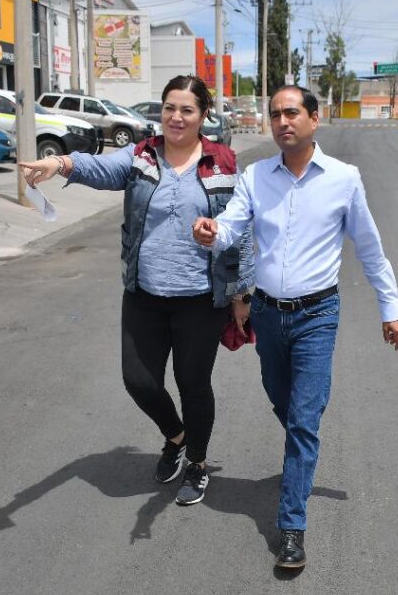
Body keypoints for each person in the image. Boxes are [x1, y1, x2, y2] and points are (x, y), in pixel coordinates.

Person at [192, 85, 398, 569]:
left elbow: (369, 249)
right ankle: (302, 451)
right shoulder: (255, 176)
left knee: (304, 421)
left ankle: (291, 526)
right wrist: (211, 232)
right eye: (275, 115)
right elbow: (230, 226)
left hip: (317, 315)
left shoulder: (344, 180)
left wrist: (389, 307)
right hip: (267, 313)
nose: (283, 121)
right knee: (284, 403)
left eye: (292, 113)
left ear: (314, 118)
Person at [19, 75, 254, 506]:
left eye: (186, 109)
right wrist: (60, 165)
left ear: (202, 116)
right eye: (169, 107)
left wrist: (241, 294)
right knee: (139, 380)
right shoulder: (141, 156)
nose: (176, 117)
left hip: (200, 299)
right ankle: (177, 436)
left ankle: (197, 463)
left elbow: (239, 230)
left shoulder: (222, 164)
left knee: (193, 383)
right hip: (144, 292)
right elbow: (99, 167)